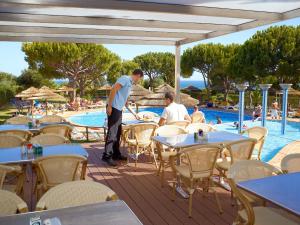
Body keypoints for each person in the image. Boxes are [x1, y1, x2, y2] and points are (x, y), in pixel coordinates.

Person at [102, 69, 144, 166]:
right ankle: (107, 156)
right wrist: (109, 106)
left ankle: (116, 154)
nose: (139, 81)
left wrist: (134, 114)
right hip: (114, 108)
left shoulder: (129, 85)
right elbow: (113, 90)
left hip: (119, 109)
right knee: (112, 132)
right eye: (140, 79)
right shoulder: (125, 79)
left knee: (118, 133)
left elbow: (126, 103)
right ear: (138, 75)